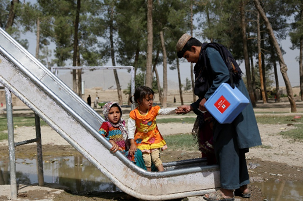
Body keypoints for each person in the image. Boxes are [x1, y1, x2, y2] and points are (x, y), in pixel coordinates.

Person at [175, 33, 262, 201]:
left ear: (193, 48)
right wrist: (192, 106)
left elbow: (222, 76)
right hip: (229, 103)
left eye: (187, 56)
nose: (188, 60)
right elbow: (214, 84)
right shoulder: (206, 56)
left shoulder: (209, 52)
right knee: (234, 145)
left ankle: (227, 192)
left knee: (225, 145)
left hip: (229, 105)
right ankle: (243, 187)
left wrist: (207, 97)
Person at [128, 86, 176, 172]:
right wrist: (132, 143)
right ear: (139, 101)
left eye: (151, 99)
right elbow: (130, 129)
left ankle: (163, 175)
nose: (151, 102)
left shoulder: (153, 110)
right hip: (141, 141)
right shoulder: (134, 113)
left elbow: (164, 111)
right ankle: (149, 177)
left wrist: (176, 110)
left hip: (154, 139)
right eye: (148, 100)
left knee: (156, 158)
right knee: (147, 160)